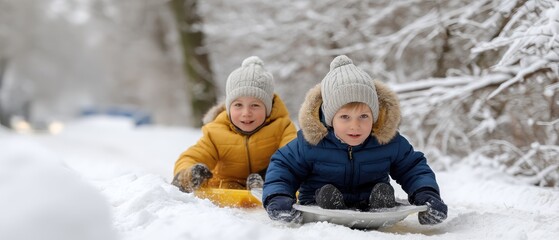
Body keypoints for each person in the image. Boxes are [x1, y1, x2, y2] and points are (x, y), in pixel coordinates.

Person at [262, 55, 447, 225]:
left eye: (364, 117)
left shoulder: (387, 141)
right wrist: (279, 197)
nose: (355, 126)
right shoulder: (311, 143)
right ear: (329, 118)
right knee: (324, 193)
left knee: (380, 190)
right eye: (345, 117)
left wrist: (426, 194)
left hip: (370, 201)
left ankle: (380, 201)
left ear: (374, 116)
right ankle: (328, 200)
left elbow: (412, 167)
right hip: (319, 203)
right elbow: (284, 166)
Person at [172, 56, 297, 193]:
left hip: (269, 183)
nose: (246, 113)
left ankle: (261, 184)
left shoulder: (282, 128)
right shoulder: (216, 132)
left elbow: (293, 158)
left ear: (268, 108)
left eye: (255, 105)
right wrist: (188, 174)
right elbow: (190, 157)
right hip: (226, 190)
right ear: (228, 107)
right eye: (238, 105)